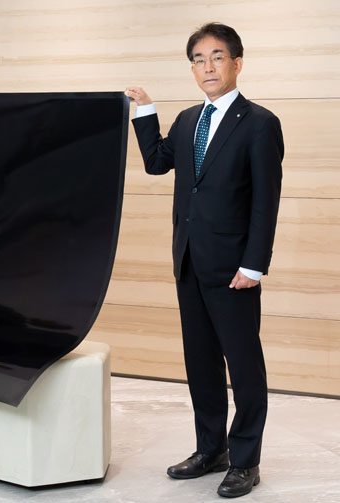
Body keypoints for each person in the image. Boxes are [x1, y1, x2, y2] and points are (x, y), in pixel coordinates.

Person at [126, 22, 283, 498]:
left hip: (235, 268)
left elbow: (265, 200)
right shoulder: (188, 119)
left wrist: (254, 264)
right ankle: (211, 449)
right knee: (201, 364)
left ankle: (246, 460)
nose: (207, 67)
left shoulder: (259, 123)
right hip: (190, 261)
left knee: (244, 366)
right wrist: (145, 109)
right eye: (198, 59)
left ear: (237, 63)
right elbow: (157, 162)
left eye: (217, 57)